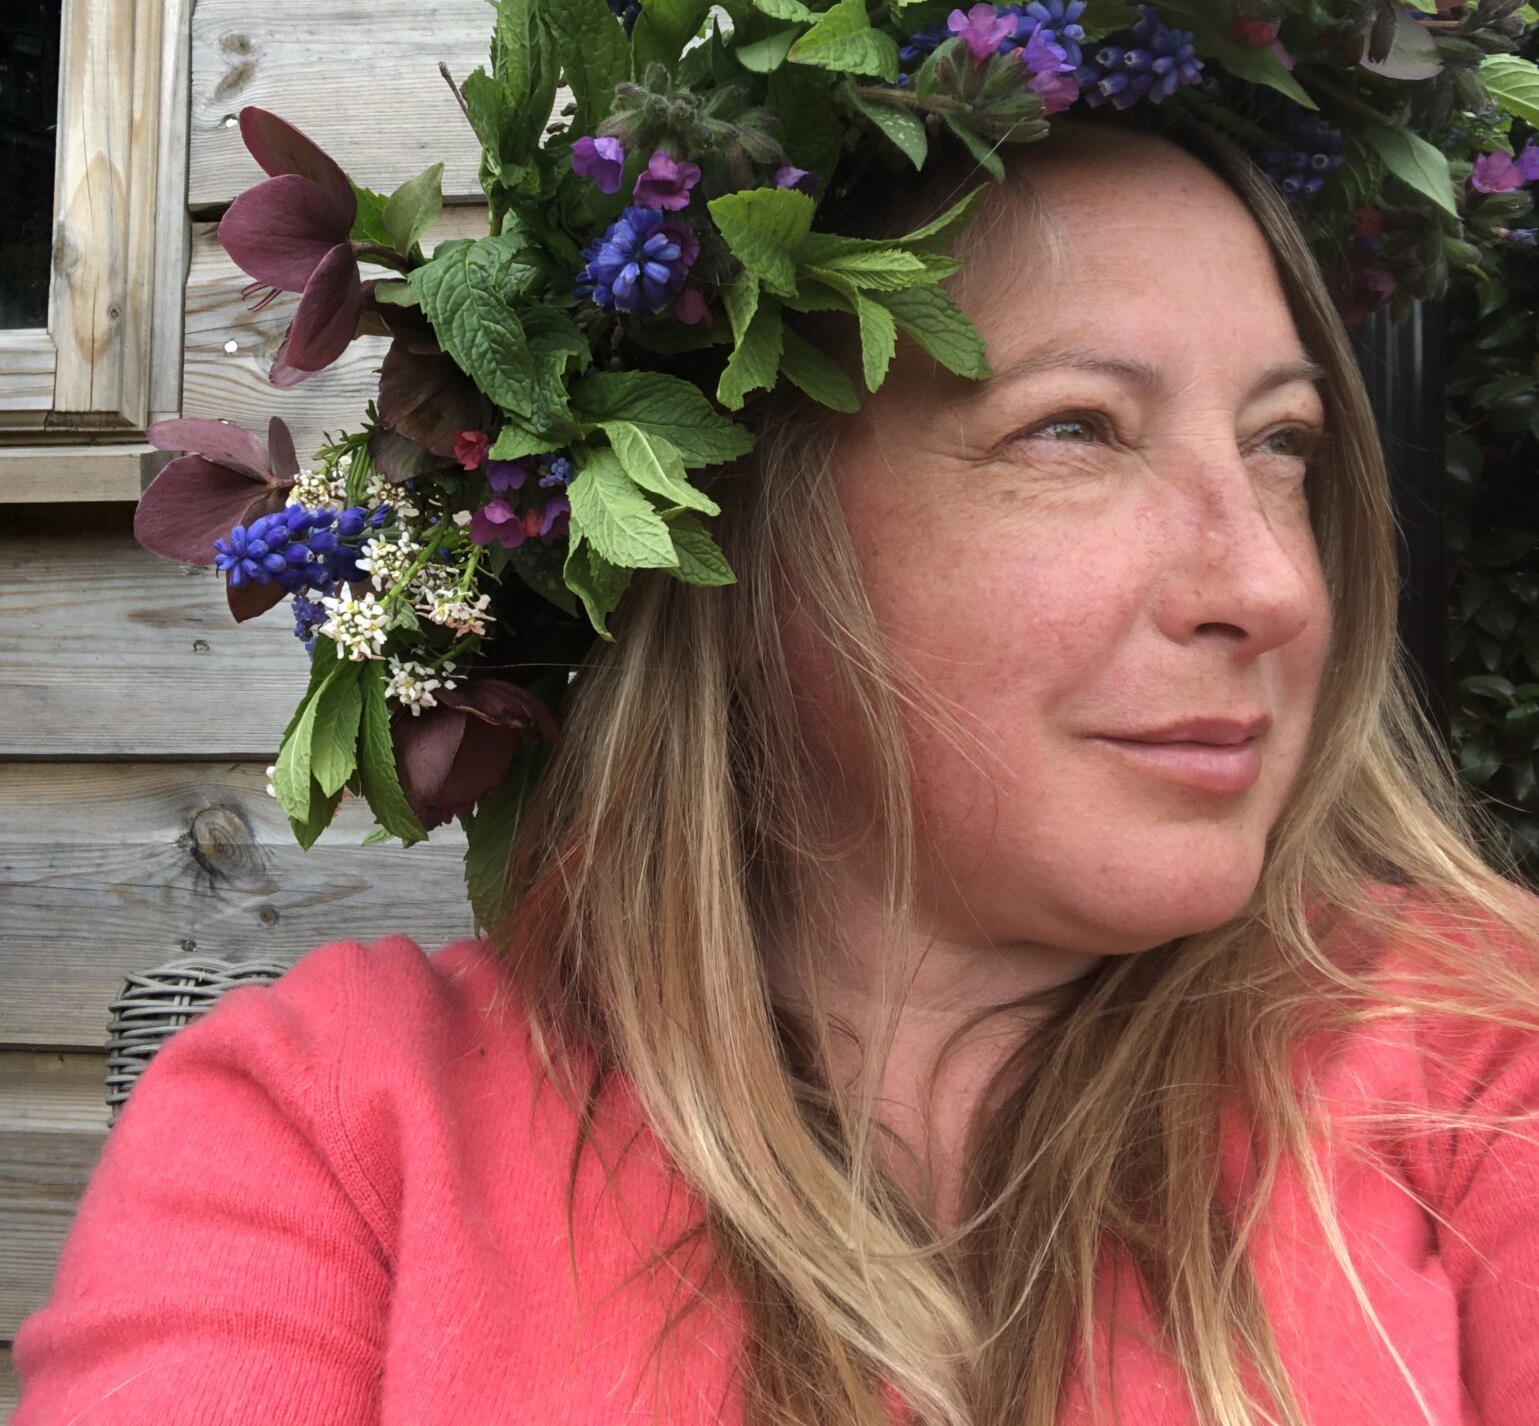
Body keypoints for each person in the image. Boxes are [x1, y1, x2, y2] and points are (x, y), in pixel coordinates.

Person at [15, 117, 1539, 1425]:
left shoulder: (1479, 1080)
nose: (1271, 584)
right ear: (727, 524)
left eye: (1283, 444)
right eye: (1076, 430)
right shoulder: (342, 1132)